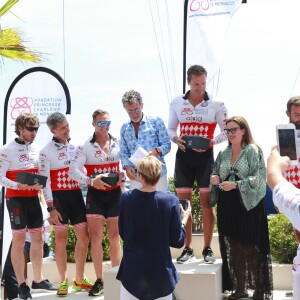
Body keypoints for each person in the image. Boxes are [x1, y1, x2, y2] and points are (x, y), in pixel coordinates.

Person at [167, 65, 228, 264]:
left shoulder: (217, 104)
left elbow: (227, 131)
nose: (200, 87)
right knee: (184, 205)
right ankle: (188, 248)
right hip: (184, 157)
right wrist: (176, 140)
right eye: (195, 84)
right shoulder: (177, 102)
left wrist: (212, 142)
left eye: (203, 83)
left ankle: (208, 248)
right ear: (188, 82)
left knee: (207, 204)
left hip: (206, 158)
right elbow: (170, 129)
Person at [210, 116, 273, 299]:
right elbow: (215, 172)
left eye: (234, 129)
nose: (230, 133)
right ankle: (240, 288)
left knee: (250, 247)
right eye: (227, 130)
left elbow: (260, 178)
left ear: (243, 130)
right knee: (233, 247)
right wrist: (215, 179)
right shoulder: (223, 153)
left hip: (248, 205)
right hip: (227, 205)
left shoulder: (253, 150)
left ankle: (260, 290)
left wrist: (237, 185)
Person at [116, 156, 191, 300]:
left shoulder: (126, 198)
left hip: (132, 274)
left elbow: (123, 233)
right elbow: (178, 241)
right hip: (160, 276)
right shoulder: (170, 201)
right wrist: (184, 219)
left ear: (141, 176)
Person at [0, 113, 56, 299]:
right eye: (30, 129)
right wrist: (17, 185)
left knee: (38, 239)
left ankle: (38, 279)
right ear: (20, 128)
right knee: (18, 240)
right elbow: (1, 177)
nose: (34, 133)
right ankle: (22, 284)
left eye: (36, 129)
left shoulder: (37, 149)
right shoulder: (7, 149)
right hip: (15, 199)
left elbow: (43, 177)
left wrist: (41, 187)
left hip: (32, 199)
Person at [70, 109, 123, 296]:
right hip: (95, 195)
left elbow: (128, 163)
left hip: (115, 194)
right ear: (93, 124)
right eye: (101, 123)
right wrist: (90, 181)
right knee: (96, 237)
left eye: (107, 123)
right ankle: (100, 280)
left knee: (115, 236)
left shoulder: (118, 142)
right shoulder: (85, 146)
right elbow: (73, 170)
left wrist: (123, 175)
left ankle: (117, 277)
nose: (105, 127)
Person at [38, 112, 91, 296]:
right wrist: (51, 208)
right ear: (53, 131)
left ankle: (79, 278)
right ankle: (63, 281)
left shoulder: (76, 147)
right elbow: (45, 181)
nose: (67, 130)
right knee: (60, 240)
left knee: (84, 238)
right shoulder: (45, 151)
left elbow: (82, 170)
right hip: (58, 199)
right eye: (63, 128)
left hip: (76, 196)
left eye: (67, 126)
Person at [120, 90, 171, 191]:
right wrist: (126, 167)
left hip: (157, 175)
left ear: (142, 106)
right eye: (130, 111)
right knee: (137, 207)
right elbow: (124, 152)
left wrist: (156, 151)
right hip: (136, 177)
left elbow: (167, 145)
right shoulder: (124, 128)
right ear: (125, 108)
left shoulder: (156, 122)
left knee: (158, 206)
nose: (134, 114)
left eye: (136, 109)